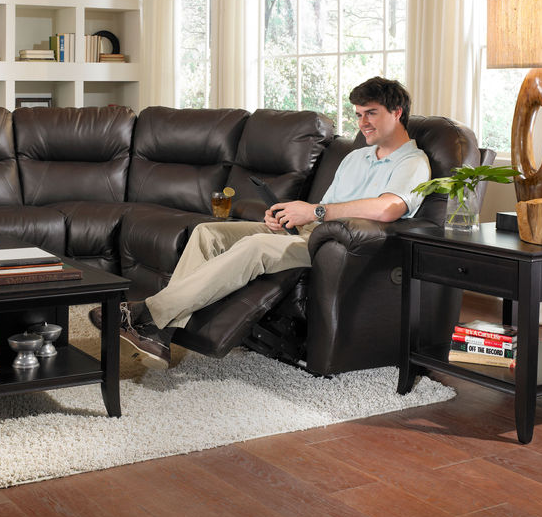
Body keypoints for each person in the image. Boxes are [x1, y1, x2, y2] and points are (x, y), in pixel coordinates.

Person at [107, 76, 431, 369]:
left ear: (397, 112)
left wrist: (315, 213)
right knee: (208, 233)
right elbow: (325, 206)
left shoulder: (412, 162)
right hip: (307, 232)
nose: (363, 123)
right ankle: (161, 335)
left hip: (335, 247)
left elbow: (388, 209)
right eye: (358, 115)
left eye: (371, 113)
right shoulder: (356, 157)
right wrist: (289, 215)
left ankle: (145, 312)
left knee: (257, 245)